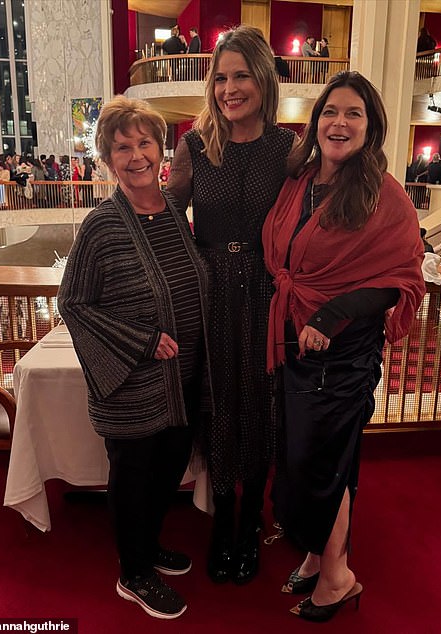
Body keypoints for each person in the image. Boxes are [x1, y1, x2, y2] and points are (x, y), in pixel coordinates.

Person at [262, 70, 425, 622]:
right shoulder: (301, 181)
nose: (339, 122)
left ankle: (338, 578)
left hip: (344, 353)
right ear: (316, 123)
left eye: (354, 113)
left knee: (321, 462)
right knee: (307, 458)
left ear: (370, 126)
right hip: (295, 342)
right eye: (330, 111)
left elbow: (399, 279)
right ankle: (319, 556)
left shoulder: (385, 195)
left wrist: (331, 315)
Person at [57, 95, 211, 620]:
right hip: (133, 384)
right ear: (107, 159)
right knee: (134, 476)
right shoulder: (101, 226)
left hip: (183, 376)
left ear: (160, 150)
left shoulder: (173, 212)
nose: (136, 155)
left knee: (168, 470)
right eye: (122, 147)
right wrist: (141, 341)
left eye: (144, 143)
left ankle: (148, 546)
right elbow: (73, 303)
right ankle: (133, 572)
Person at [167, 25, 296, 586]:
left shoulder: (288, 149)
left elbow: (312, 217)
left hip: (267, 293)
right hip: (211, 291)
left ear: (263, 80)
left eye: (241, 76)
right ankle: (222, 516)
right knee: (217, 401)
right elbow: (168, 218)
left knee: (262, 402)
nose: (229, 89)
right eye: (220, 78)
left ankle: (251, 518)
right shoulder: (195, 146)